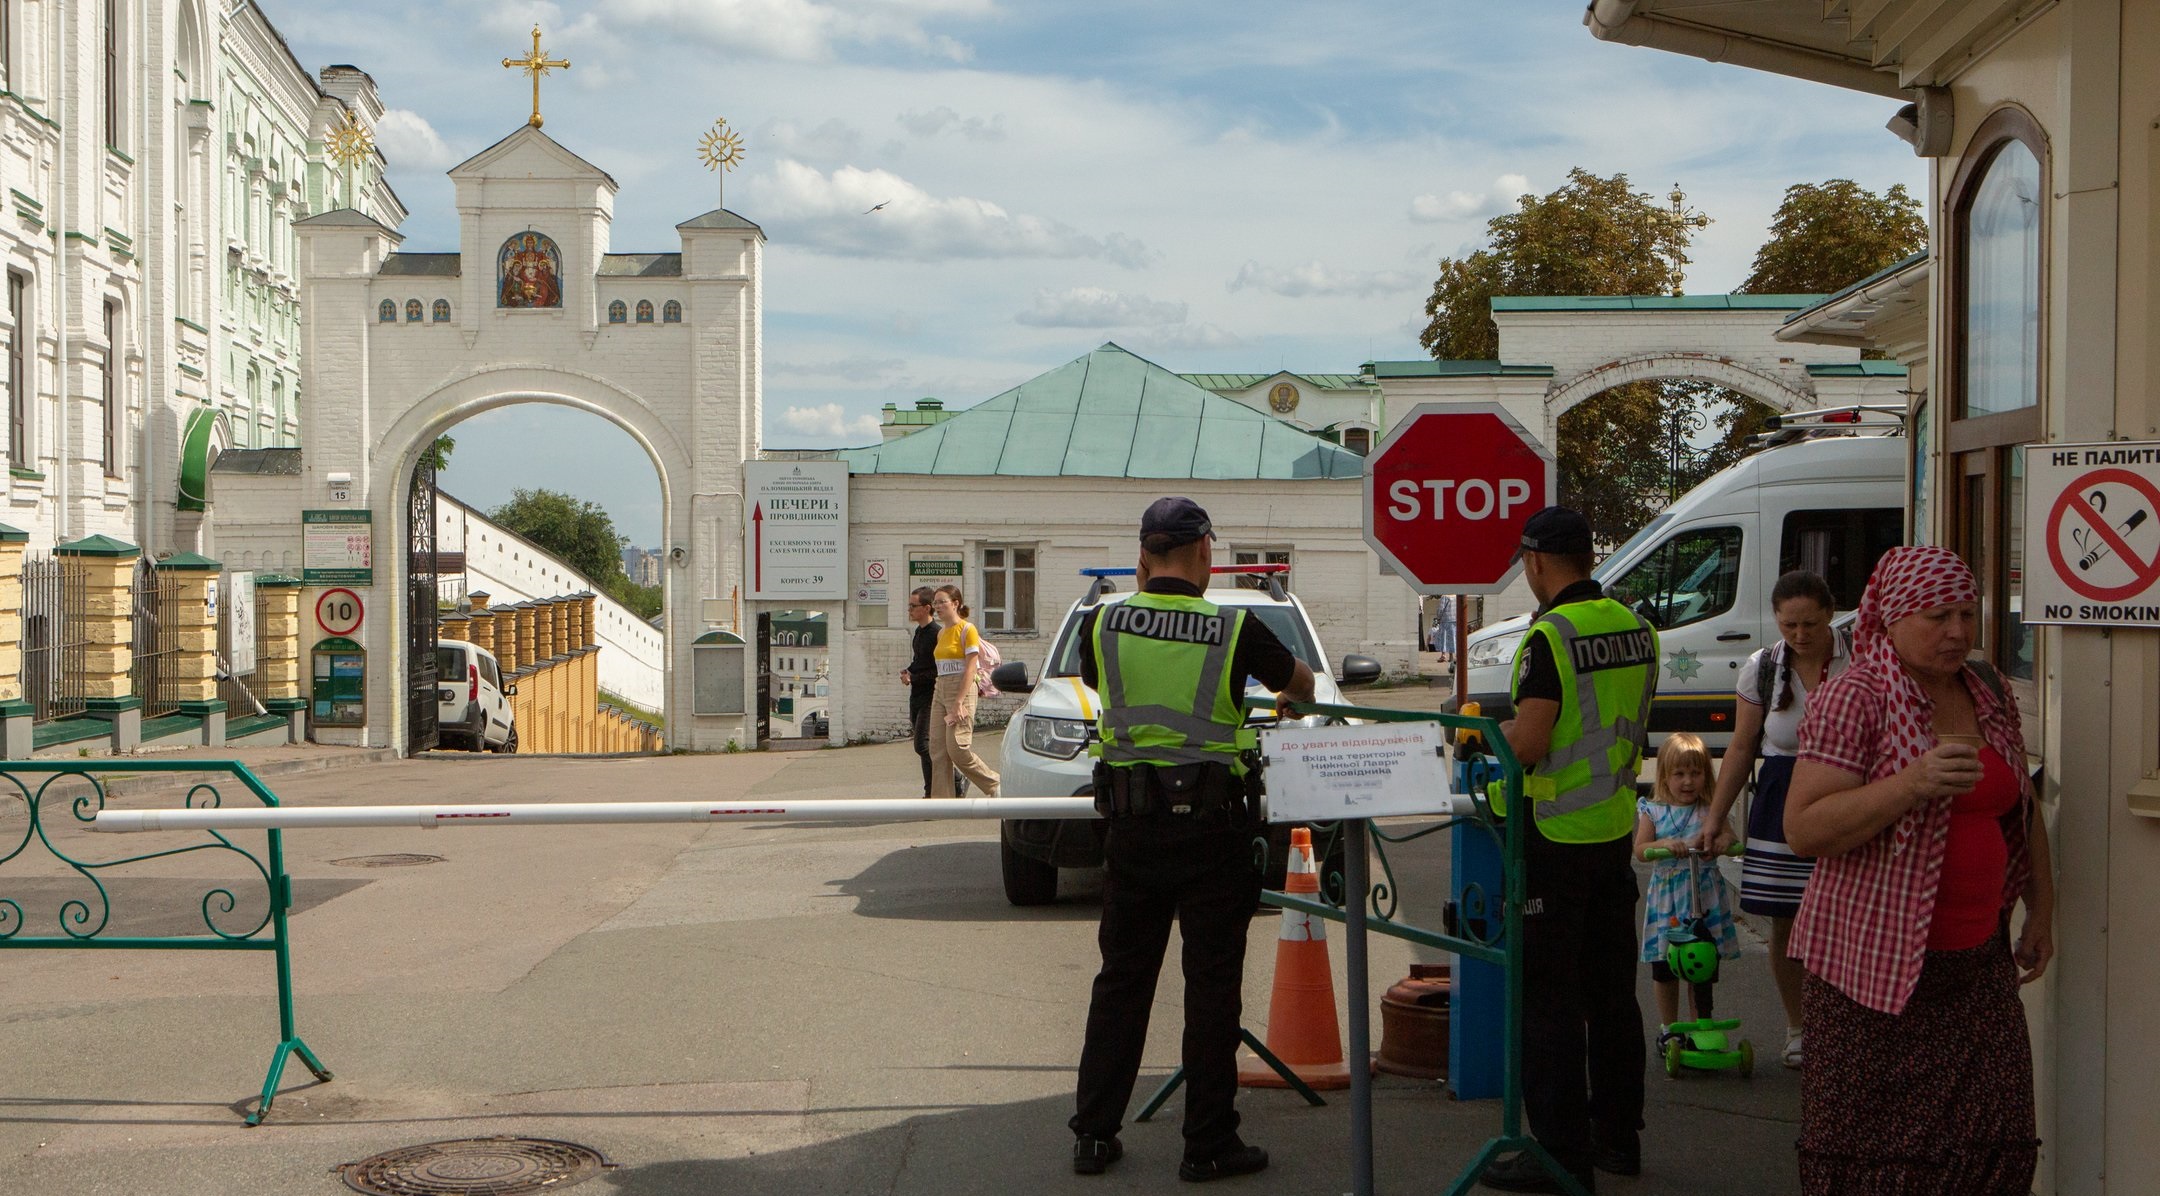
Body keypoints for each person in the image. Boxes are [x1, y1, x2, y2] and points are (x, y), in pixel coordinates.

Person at [1784, 546, 2054, 1196]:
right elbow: (1804, 829)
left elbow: (2021, 807)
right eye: (1938, 616)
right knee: (1878, 1162)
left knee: (1992, 1144)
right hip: (1869, 978)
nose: (1958, 630)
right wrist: (1912, 783)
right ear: (1894, 617)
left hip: (1977, 969)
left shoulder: (1984, 688)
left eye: (1967, 613)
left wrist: (2042, 907)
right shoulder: (1855, 696)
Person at [1069, 496, 1315, 1183]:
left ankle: (1093, 1134)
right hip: (1214, 834)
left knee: (1121, 981)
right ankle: (1207, 1144)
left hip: (1133, 830)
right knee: (1211, 990)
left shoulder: (1106, 621)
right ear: (1206, 554)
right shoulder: (1232, 629)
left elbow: (1096, 678)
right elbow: (1300, 682)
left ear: (1145, 557)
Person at [1481, 505, 1658, 1195]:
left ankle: (1558, 1154)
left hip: (1552, 837)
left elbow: (1529, 743)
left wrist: (1488, 744)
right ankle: (1618, 1136)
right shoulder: (1636, 627)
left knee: (1548, 1003)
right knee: (1611, 995)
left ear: (1535, 563)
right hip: (1613, 828)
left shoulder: (1551, 637)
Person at [1695, 570, 1849, 1069]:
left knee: (1848, 914)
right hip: (1782, 792)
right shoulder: (1762, 667)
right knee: (1788, 919)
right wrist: (1715, 818)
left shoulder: (1863, 657)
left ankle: (1848, 1026)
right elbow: (1742, 746)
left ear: (1830, 613)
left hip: (1848, 790)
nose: (1800, 635)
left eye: (1809, 624)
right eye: (1789, 625)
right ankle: (1798, 1026)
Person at [1635, 733, 1739, 1046]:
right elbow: (1640, 849)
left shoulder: (1711, 811)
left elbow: (1731, 840)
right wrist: (1662, 845)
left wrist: (1723, 842)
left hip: (1704, 896)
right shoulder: (1653, 810)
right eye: (1679, 774)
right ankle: (1670, 1027)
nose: (1688, 782)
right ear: (1665, 776)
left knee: (1702, 965)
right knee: (1665, 967)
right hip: (1669, 899)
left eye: (1695, 773)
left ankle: (1700, 1025)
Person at [927, 585, 999, 799]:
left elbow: (970, 667)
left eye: (942, 602)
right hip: (940, 688)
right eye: (935, 603)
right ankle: (942, 802)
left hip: (961, 690)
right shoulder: (941, 633)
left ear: (955, 603)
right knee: (938, 749)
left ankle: (995, 785)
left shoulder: (968, 629)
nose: (937, 607)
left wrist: (959, 701)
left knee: (957, 748)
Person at [901, 586, 940, 798]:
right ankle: (932, 792)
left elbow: (937, 670)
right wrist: (909, 670)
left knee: (922, 745)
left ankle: (943, 784)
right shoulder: (919, 632)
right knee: (923, 745)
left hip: (931, 696)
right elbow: (920, 662)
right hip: (916, 695)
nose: (909, 610)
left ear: (926, 608)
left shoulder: (936, 633)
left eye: (913, 606)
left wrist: (913, 677)